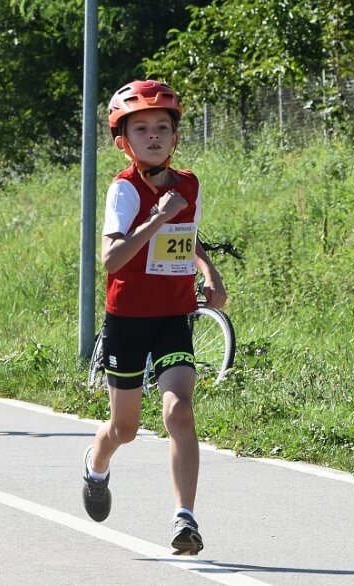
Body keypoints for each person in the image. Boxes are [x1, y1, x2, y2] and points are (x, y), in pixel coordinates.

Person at [82, 80, 227, 555]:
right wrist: (157, 219)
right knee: (124, 428)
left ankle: (185, 519)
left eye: (162, 127)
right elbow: (111, 259)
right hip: (127, 317)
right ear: (124, 142)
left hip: (173, 313)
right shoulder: (123, 190)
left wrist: (210, 271)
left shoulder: (187, 184)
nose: (153, 136)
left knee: (178, 411)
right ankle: (97, 464)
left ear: (175, 136)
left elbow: (188, 235)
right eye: (141, 129)